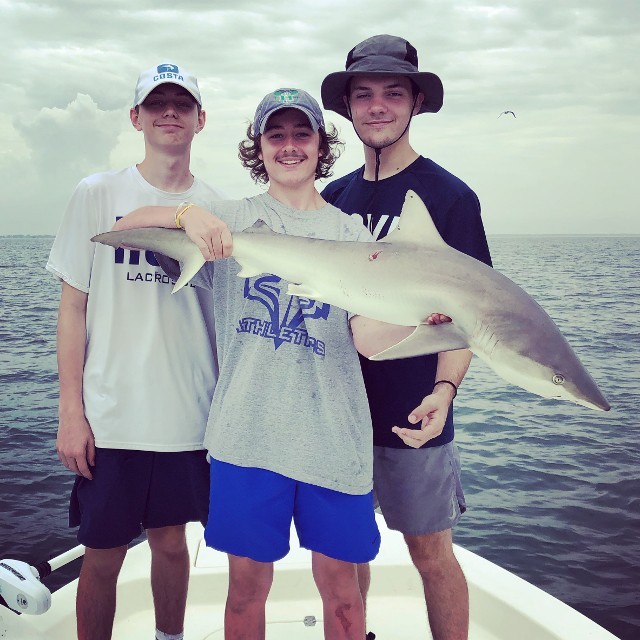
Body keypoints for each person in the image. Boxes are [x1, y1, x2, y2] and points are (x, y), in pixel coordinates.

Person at [112, 87, 425, 640]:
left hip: (334, 439)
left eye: (301, 133)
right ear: (258, 146)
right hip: (247, 436)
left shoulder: (351, 235)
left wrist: (427, 316)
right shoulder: (227, 221)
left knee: (345, 598)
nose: (288, 146)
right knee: (244, 596)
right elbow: (126, 223)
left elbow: (368, 339)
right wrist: (188, 215)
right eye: (275, 134)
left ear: (320, 145)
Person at [320, 35, 493, 640]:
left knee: (432, 558)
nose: (377, 106)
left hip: (412, 412)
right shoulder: (332, 201)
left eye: (393, 93)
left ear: (416, 101)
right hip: (338, 413)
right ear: (347, 107)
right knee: (346, 559)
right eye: (363, 94)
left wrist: (445, 391)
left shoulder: (450, 198)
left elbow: (470, 317)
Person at [46, 63, 226, 640]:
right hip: (111, 415)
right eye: (156, 104)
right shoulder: (96, 193)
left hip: (190, 415)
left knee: (172, 544)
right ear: (135, 117)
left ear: (202, 119)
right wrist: (71, 413)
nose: (168, 113)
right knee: (101, 556)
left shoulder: (222, 209)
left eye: (181, 104)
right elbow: (72, 308)